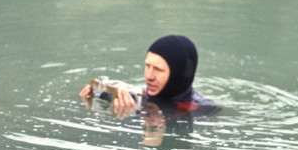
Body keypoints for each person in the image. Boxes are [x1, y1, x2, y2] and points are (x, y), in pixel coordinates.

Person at [79, 35, 219, 120]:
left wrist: (130, 115)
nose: (148, 76)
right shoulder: (138, 95)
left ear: (178, 74)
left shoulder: (203, 110)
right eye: (147, 66)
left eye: (158, 69)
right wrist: (91, 102)